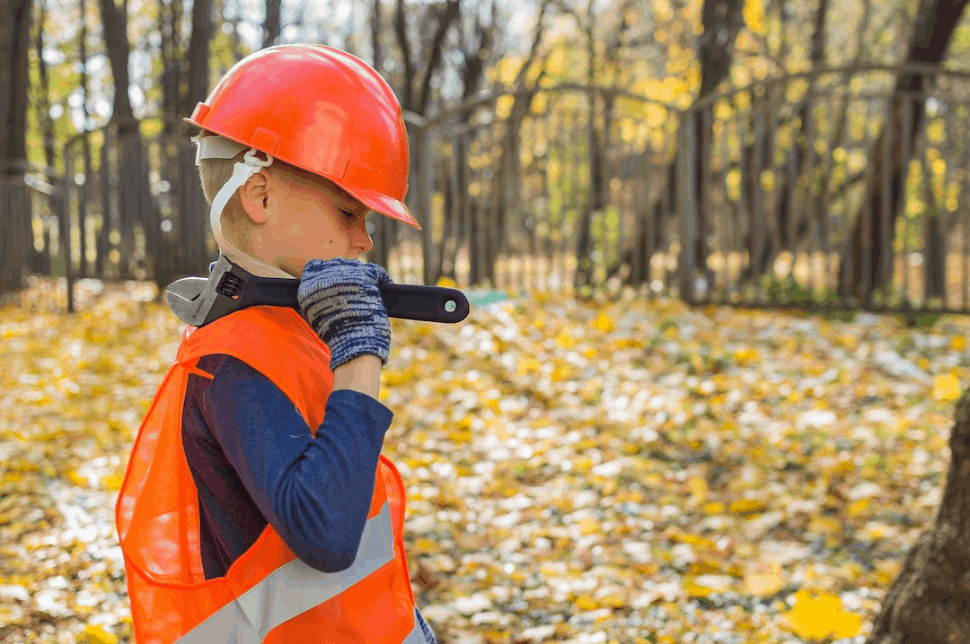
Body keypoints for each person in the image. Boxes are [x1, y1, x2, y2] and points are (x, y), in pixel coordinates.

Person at [114, 44, 437, 643]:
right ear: (259, 196)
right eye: (348, 211)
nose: (364, 239)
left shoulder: (282, 330)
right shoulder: (231, 362)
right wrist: (360, 352)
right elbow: (326, 534)